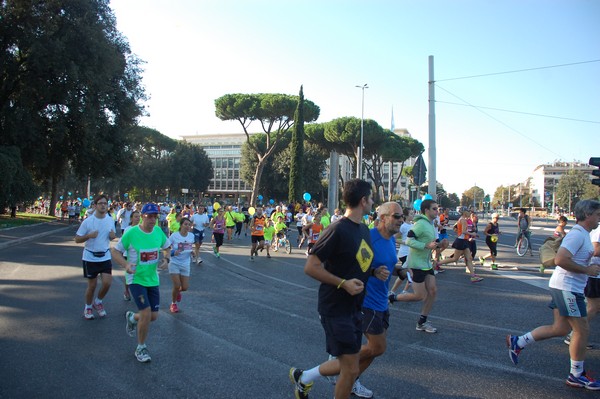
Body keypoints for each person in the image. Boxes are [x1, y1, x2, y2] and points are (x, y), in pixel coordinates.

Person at [289, 179, 374, 399]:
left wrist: (377, 271)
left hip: (355, 307)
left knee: (350, 366)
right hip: (335, 308)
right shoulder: (337, 229)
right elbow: (311, 266)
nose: (373, 202)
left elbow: (358, 263)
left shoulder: (364, 229)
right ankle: (304, 378)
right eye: (371, 198)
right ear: (363, 201)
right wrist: (343, 283)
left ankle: (304, 377)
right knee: (350, 369)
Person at [506, 200, 600, 390]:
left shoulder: (583, 234)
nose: (599, 218)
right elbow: (560, 259)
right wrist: (586, 270)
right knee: (581, 330)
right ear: (588, 215)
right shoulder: (577, 235)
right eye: (598, 214)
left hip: (565, 286)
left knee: (560, 329)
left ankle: (519, 341)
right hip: (568, 288)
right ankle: (576, 375)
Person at [111, 203, 171, 363]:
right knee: (146, 312)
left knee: (153, 316)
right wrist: (125, 265)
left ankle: (132, 317)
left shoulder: (158, 232)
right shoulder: (131, 233)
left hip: (152, 279)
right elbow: (115, 251)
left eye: (155, 216)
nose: (152, 219)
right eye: (149, 216)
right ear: (142, 216)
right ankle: (141, 347)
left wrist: (167, 259)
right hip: (135, 279)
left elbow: (168, 247)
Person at [388, 199, 449, 333]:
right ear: (426, 210)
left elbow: (431, 243)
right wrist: (425, 246)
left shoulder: (431, 224)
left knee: (432, 291)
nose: (437, 211)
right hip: (416, 264)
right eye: (434, 209)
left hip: (426, 264)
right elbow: (409, 240)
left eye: (437, 209)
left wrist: (441, 244)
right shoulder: (420, 224)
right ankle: (392, 297)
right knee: (419, 296)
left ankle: (422, 321)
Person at [75, 195, 116, 320]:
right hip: (90, 257)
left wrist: (113, 236)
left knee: (107, 283)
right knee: (92, 286)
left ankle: (98, 302)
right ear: (95, 205)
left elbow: (112, 235)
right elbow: (77, 239)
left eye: (105, 203)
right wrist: (89, 236)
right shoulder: (88, 221)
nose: (103, 205)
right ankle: (88, 306)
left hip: (105, 256)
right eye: (101, 203)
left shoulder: (110, 220)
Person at [434, 209, 483, 283]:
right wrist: (472, 234)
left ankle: (473, 276)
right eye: (468, 212)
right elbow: (463, 231)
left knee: (469, 258)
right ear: (465, 213)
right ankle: (436, 264)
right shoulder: (462, 220)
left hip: (464, 240)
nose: (470, 213)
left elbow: (456, 228)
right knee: (454, 259)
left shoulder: (463, 219)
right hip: (461, 241)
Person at [167, 217, 194, 313]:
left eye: (189, 225)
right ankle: (173, 304)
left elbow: (190, 247)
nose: (187, 226)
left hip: (185, 263)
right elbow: (167, 247)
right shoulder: (174, 236)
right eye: (185, 224)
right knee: (177, 285)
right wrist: (174, 252)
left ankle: (177, 292)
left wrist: (192, 252)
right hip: (174, 262)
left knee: (185, 287)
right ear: (181, 225)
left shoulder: (191, 236)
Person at [122, 210, 141, 301]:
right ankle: (126, 291)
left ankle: (138, 292)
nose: (138, 218)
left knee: (139, 273)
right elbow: (124, 242)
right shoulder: (127, 229)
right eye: (136, 217)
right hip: (128, 254)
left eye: (139, 217)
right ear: (131, 218)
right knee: (129, 273)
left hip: (140, 254)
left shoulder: (142, 228)